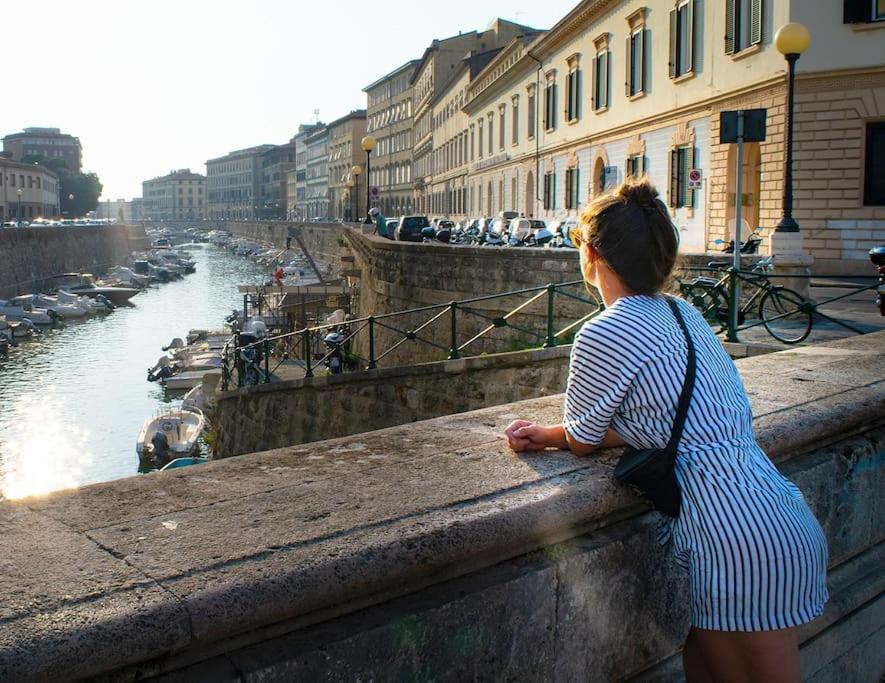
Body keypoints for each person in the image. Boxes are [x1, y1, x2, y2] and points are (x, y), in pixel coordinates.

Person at [504, 179, 828, 683]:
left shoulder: (606, 329)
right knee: (703, 665)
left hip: (730, 539)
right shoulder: (685, 314)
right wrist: (549, 433)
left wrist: (551, 436)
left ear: (591, 254)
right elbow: (660, 423)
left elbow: (587, 438)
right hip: (779, 515)